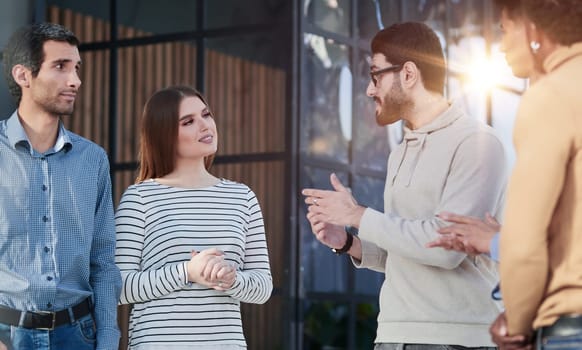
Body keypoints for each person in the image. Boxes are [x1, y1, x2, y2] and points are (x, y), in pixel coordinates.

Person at [302, 21, 507, 349]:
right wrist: (347, 242)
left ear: (408, 74)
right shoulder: (400, 152)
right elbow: (404, 252)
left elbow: (444, 250)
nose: (370, 89)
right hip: (394, 335)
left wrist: (358, 215)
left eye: (375, 74)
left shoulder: (477, 144)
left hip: (454, 339)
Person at [115, 85, 273, 349]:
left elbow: (263, 288)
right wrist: (187, 272)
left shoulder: (242, 197)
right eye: (188, 121)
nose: (205, 125)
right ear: (164, 134)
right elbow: (117, 288)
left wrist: (232, 279)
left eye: (206, 115)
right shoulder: (140, 198)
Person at [0, 23, 121, 349]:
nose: (75, 80)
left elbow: (104, 262)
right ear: (23, 75)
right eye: (60, 66)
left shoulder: (93, 160)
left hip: (79, 335)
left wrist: (108, 339)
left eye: (76, 68)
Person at [497, 0, 582, 348]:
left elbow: (524, 244)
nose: (501, 45)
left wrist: (516, 325)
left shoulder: (553, 96)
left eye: (504, 29)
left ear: (532, 28)